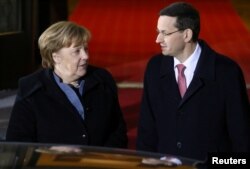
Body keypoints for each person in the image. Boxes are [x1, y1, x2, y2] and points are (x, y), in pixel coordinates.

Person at [136, 2, 249, 160]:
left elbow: (241, 136)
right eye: (157, 32)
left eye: (165, 33)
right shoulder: (154, 68)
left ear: (187, 35)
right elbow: (147, 129)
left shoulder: (227, 72)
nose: (157, 39)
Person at [6, 21, 128, 148]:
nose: (85, 56)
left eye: (85, 49)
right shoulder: (31, 88)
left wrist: (102, 159)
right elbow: (18, 142)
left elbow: (117, 129)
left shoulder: (102, 79)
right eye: (77, 51)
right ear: (56, 57)